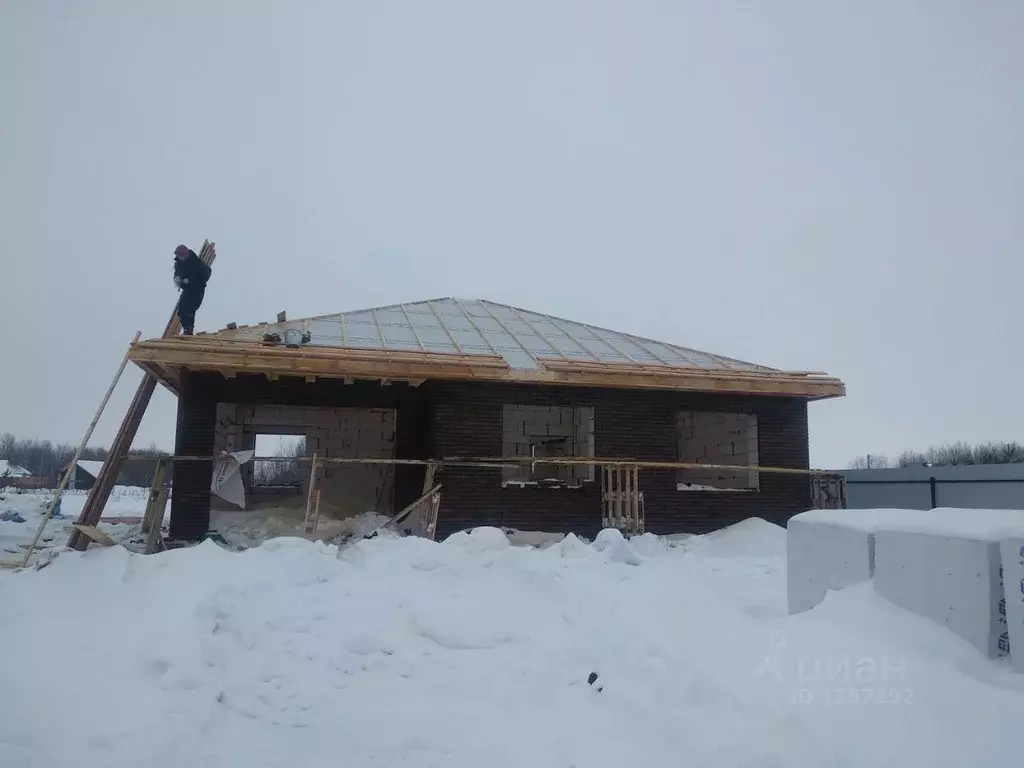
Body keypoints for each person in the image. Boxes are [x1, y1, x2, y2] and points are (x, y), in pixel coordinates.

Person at [173, 244, 212, 335]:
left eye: (182, 255)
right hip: (187, 290)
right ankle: (187, 329)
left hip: (197, 290)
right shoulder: (178, 264)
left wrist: (191, 280)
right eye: (179, 256)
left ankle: (189, 329)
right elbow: (177, 273)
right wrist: (177, 279)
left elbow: (207, 272)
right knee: (181, 310)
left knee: (189, 309)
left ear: (186, 254)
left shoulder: (195, 262)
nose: (180, 257)